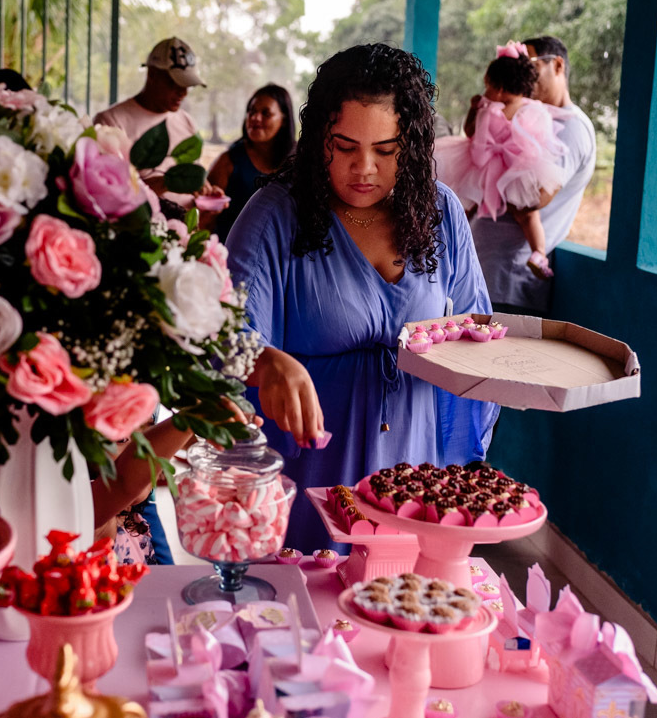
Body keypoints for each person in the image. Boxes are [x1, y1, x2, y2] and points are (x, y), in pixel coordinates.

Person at [225, 44, 499, 552]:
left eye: (386, 150)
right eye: (345, 147)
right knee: (312, 591)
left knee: (405, 593)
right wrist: (265, 361)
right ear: (318, 138)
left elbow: (474, 334)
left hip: (415, 473)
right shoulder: (274, 216)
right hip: (311, 474)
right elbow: (224, 340)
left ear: (411, 144)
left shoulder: (440, 214)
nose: (364, 167)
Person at [469, 35, 597, 315]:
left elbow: (532, 197)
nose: (523, 73)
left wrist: (492, 171)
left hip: (508, 279)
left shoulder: (571, 127)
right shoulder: (527, 114)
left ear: (558, 65)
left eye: (531, 65)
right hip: (484, 272)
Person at [435, 42, 567, 280]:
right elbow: (540, 139)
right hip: (513, 168)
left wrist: (475, 111)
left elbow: (476, 144)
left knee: (467, 206)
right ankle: (538, 253)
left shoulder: (493, 110)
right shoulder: (531, 107)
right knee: (525, 215)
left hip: (491, 169)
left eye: (488, 86)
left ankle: (447, 246)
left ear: (499, 88)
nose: (485, 91)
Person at [92, 403, 260, 565]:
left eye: (149, 431)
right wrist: (191, 418)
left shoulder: (132, 518)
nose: (142, 445)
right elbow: (125, 480)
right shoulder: (91, 511)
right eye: (121, 439)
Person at [94, 37, 224, 217]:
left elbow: (192, 187)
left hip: (186, 229)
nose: (183, 92)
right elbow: (110, 195)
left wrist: (206, 196)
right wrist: (168, 182)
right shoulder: (110, 123)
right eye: (175, 83)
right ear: (152, 75)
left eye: (187, 85)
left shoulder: (186, 122)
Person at [208, 84, 296, 237]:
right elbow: (206, 219)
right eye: (252, 111)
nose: (255, 118)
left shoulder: (299, 161)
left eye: (266, 113)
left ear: (284, 119)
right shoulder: (228, 161)